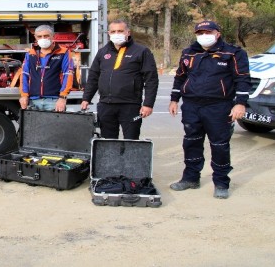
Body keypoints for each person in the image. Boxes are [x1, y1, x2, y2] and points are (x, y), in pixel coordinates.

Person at [168, 20, 251, 199]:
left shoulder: (233, 53)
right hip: (191, 106)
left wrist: (240, 103)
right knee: (191, 142)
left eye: (208, 32)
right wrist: (174, 99)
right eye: (200, 33)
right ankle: (190, 178)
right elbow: (179, 77)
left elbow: (243, 79)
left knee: (219, 145)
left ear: (217, 33)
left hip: (219, 106)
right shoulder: (188, 53)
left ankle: (221, 183)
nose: (204, 36)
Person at [80, 19, 159, 139]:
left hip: (130, 105)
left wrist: (148, 104)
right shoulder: (102, 52)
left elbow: (151, 79)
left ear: (128, 32)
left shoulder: (141, 51)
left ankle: (130, 158)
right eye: (113, 31)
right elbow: (93, 77)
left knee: (131, 141)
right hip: (106, 105)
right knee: (108, 142)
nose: (117, 34)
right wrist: (86, 98)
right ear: (109, 33)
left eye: (120, 31)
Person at [19, 24, 74, 112]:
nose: (43, 39)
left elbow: (68, 74)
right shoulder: (30, 53)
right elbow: (24, 74)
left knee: (54, 126)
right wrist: (24, 95)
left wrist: (63, 97)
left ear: (53, 36)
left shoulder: (64, 52)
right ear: (35, 37)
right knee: (32, 126)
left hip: (54, 101)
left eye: (46, 36)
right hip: (33, 101)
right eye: (39, 36)